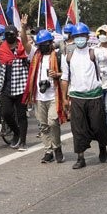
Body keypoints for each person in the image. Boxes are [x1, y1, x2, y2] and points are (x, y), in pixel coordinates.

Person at [61, 23, 107, 169]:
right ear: (73, 37)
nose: (79, 39)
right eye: (76, 37)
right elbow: (65, 78)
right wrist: (65, 98)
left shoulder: (94, 52)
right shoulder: (68, 56)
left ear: (86, 37)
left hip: (94, 96)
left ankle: (102, 146)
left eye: (82, 36)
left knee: (97, 126)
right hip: (77, 97)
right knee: (78, 129)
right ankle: (80, 157)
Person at [0, 19, 31, 150]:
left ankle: (23, 141)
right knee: (6, 113)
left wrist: (23, 27)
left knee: (22, 115)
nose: (9, 36)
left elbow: (28, 49)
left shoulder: (23, 48)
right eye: (7, 34)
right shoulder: (1, 50)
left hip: (21, 87)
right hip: (6, 87)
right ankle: (16, 133)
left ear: (16, 35)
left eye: (12, 34)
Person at [22, 29, 65, 164]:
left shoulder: (58, 55)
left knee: (53, 122)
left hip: (54, 95)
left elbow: (66, 74)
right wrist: (23, 28)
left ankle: (57, 147)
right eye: (41, 44)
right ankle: (48, 150)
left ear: (51, 42)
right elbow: (24, 42)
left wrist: (56, 75)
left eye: (46, 43)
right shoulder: (35, 55)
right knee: (43, 125)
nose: (43, 46)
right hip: (39, 96)